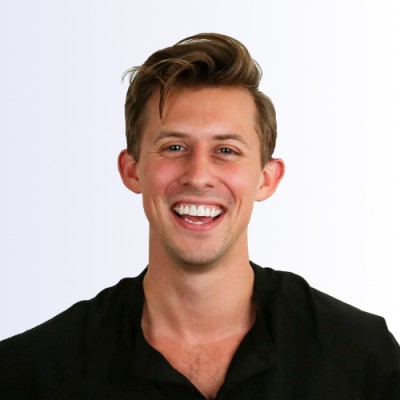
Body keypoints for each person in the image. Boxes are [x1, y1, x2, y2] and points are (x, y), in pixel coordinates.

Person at [0, 33, 399, 400]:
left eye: (226, 150)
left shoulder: (363, 358)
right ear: (132, 170)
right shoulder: (32, 373)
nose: (198, 175)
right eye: (174, 147)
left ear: (266, 179)